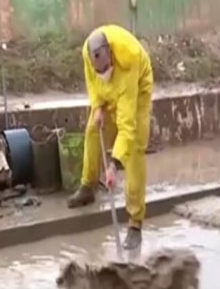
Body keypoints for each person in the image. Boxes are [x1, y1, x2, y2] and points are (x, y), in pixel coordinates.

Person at [66, 25, 154, 250]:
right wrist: (97, 107)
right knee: (92, 130)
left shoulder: (128, 61)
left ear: (111, 57)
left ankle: (135, 223)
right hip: (108, 91)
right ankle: (88, 186)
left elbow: (126, 126)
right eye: (99, 69)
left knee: (134, 149)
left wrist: (114, 165)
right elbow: (92, 83)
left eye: (106, 68)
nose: (102, 72)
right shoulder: (88, 52)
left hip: (135, 87)